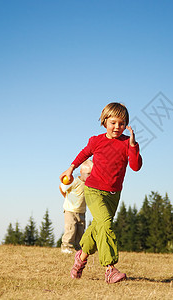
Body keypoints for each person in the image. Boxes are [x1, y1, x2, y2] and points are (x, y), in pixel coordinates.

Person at [59, 102, 142, 284]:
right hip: (94, 190)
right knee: (105, 225)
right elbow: (84, 153)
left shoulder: (128, 143)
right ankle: (110, 269)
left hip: (113, 194)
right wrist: (71, 168)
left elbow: (136, 167)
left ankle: (80, 259)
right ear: (105, 121)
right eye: (113, 123)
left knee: (97, 227)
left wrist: (133, 144)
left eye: (121, 124)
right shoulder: (96, 140)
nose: (117, 127)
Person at [59, 159, 93, 254]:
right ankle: (66, 246)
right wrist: (66, 197)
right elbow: (61, 187)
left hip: (81, 211)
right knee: (71, 228)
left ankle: (79, 247)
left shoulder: (89, 185)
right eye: (88, 173)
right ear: (81, 172)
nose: (90, 176)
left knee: (80, 230)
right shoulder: (74, 181)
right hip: (70, 210)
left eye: (91, 174)